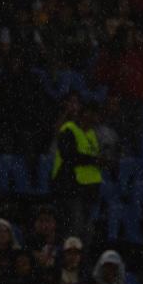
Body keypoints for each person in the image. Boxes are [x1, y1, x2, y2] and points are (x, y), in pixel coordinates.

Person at [49, 98, 104, 247]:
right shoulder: (69, 129)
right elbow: (69, 155)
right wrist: (93, 160)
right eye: (93, 114)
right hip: (70, 188)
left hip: (88, 190)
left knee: (86, 232)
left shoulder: (92, 134)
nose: (95, 118)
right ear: (85, 114)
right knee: (74, 229)